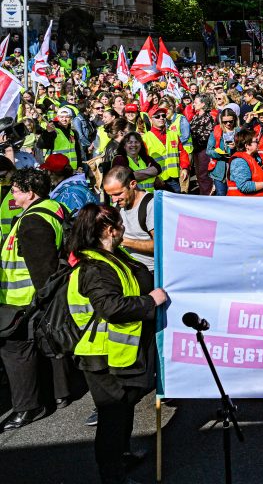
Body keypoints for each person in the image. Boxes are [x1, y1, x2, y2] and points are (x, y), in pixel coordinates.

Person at [67, 204, 169, 484]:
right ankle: (113, 477)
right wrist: (150, 302)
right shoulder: (95, 267)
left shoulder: (112, 256)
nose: (124, 230)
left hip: (118, 353)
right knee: (112, 420)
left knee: (123, 410)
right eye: (121, 226)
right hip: (101, 356)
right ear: (110, 230)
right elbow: (111, 307)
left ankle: (121, 458)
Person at [0, 169, 70, 432]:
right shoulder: (52, 208)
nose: (12, 194)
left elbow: (42, 268)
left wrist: (39, 303)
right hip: (27, 299)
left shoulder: (32, 221)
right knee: (46, 344)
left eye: (16, 190)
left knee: (15, 351)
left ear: (31, 193)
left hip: (21, 300)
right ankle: (59, 393)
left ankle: (27, 408)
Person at [102, 166, 154, 269]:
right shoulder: (117, 206)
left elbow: (160, 246)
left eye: (117, 194)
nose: (114, 200)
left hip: (149, 272)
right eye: (110, 195)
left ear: (133, 184)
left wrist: (121, 240)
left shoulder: (151, 205)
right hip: (126, 267)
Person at [227, 129, 263, 196]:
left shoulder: (256, 157)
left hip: (256, 201)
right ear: (247, 146)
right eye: (256, 141)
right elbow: (243, 186)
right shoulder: (239, 161)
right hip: (244, 203)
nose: (259, 143)